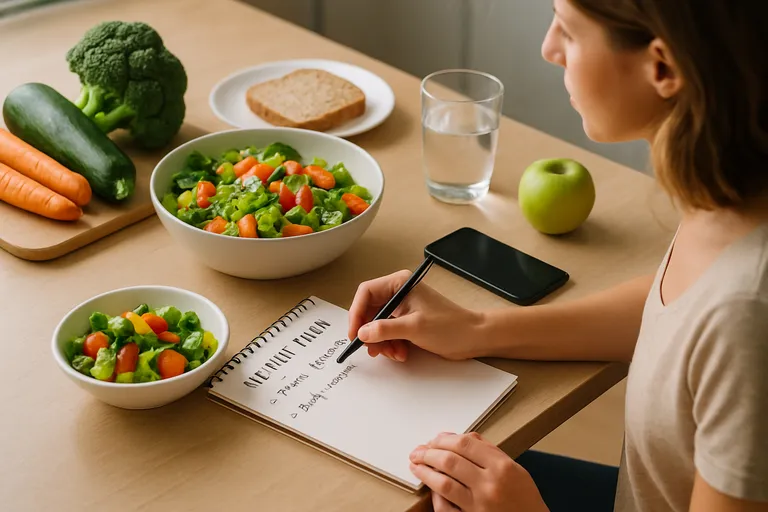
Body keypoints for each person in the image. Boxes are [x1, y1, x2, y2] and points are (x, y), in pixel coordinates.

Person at [347, 1, 768, 511]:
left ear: (663, 67)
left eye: (568, 31)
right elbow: (672, 316)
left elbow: (719, 330)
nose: (549, 49)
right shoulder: (730, 188)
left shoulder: (746, 314)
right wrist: (478, 328)